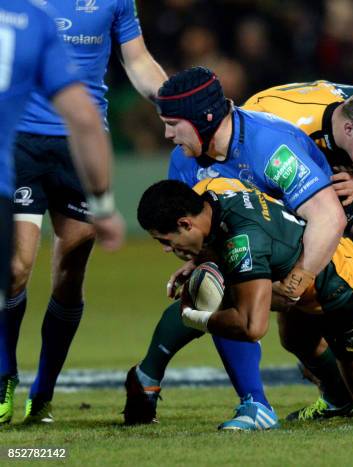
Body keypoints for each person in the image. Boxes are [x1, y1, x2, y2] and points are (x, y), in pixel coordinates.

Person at [127, 72, 353, 424]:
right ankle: (304, 399)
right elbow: (214, 232)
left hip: (325, 232)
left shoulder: (275, 140)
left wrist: (297, 277)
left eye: (173, 124)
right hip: (284, 238)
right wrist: (201, 261)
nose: (167, 134)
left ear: (204, 119)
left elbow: (338, 213)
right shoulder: (194, 158)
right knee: (269, 315)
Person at [136, 179, 353, 423]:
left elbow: (251, 327)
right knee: (295, 337)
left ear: (185, 223)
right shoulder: (211, 191)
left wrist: (195, 317)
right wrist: (198, 261)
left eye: (166, 241)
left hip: (350, 293)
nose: (166, 249)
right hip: (307, 282)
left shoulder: (243, 241)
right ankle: (338, 399)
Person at [1, 0, 166, 424]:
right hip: (20, 142)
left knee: (70, 271)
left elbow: (137, 57)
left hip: (80, 147)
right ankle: (4, 376)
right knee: (15, 267)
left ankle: (43, 394)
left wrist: (171, 100)